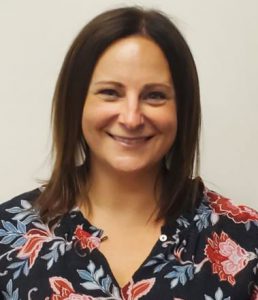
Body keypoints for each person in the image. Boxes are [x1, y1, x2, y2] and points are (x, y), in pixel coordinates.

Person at [0, 6, 258, 300]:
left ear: (182, 110)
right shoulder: (8, 237)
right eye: (110, 92)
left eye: (155, 95)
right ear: (76, 103)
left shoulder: (247, 242)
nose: (131, 118)